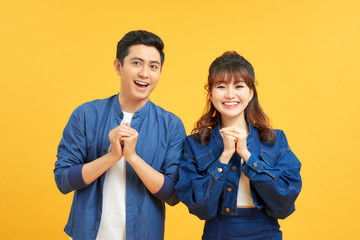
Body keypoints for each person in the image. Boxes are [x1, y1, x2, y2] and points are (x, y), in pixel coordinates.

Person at [54, 30, 186, 240]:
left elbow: (173, 194)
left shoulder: (171, 125)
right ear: (118, 66)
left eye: (153, 66)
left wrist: (132, 158)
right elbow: (63, 180)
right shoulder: (86, 115)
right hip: (86, 234)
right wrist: (111, 157)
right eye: (136, 63)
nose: (145, 73)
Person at [175, 51, 302, 240]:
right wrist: (224, 157)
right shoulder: (195, 143)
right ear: (210, 94)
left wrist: (247, 155)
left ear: (251, 94)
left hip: (267, 233)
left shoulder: (275, 139)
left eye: (239, 86)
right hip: (218, 234)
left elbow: (284, 202)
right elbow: (200, 207)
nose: (230, 94)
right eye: (221, 86)